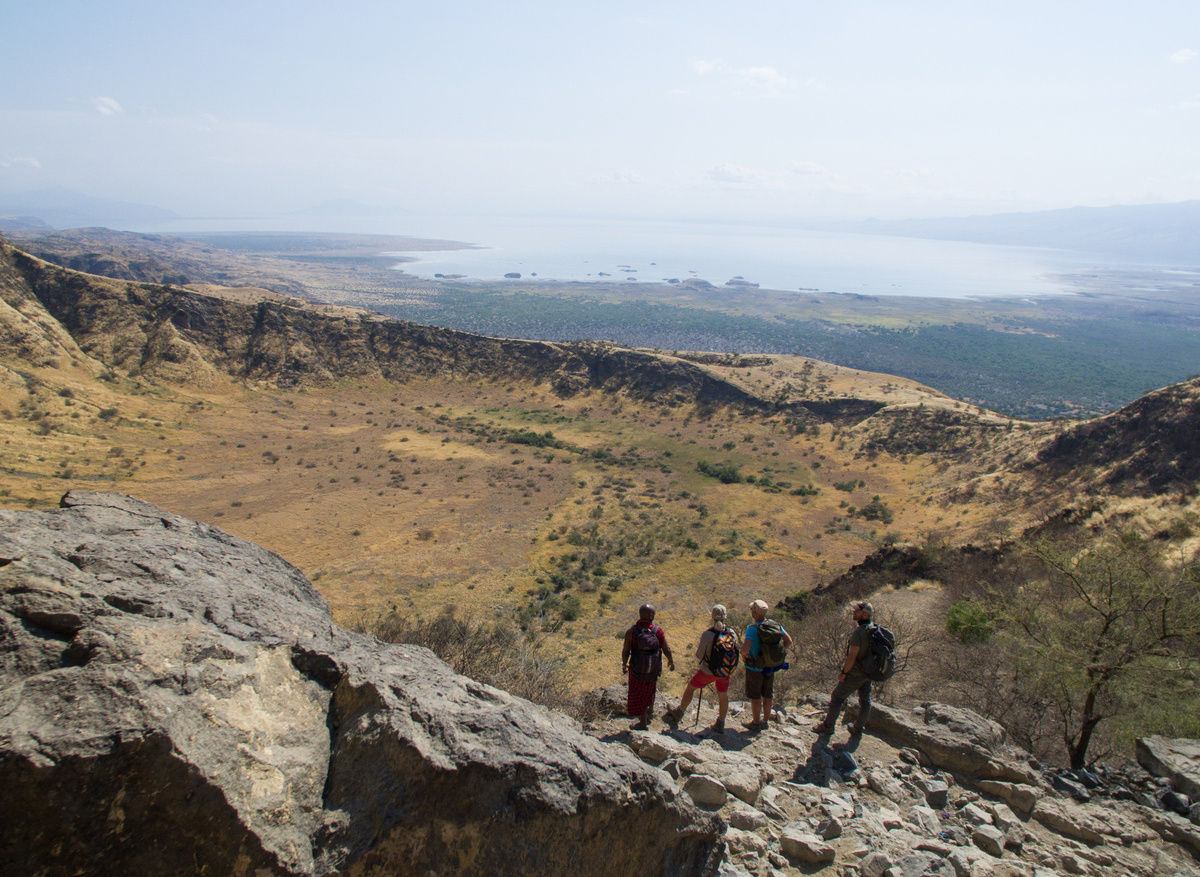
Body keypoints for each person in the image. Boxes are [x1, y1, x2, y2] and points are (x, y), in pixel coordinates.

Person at [663, 604, 739, 734]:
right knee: (723, 695)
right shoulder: (732, 632)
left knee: (690, 688)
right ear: (725, 617)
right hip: (725, 671)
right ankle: (721, 722)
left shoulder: (707, 634)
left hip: (708, 671)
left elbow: (699, 655)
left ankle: (679, 712)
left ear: (712, 617)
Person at [812, 600, 875, 737]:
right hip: (869, 673)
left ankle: (828, 726)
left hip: (856, 673)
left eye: (857, 611)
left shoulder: (859, 633)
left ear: (865, 615)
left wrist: (844, 672)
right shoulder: (874, 628)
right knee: (865, 700)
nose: (854, 612)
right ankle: (858, 729)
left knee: (837, 697)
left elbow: (852, 657)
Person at [742, 598, 793, 730]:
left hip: (755, 667)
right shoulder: (775, 625)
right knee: (767, 694)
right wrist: (777, 654)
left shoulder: (752, 629)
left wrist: (745, 658)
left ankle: (756, 722)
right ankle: (765, 721)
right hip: (770, 666)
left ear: (754, 613)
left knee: (756, 696)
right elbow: (788, 641)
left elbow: (745, 649)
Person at [621, 603, 675, 730]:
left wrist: (624, 664)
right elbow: (666, 648)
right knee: (650, 690)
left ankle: (643, 723)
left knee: (638, 694)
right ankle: (650, 711)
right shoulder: (657, 631)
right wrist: (671, 661)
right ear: (651, 616)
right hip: (653, 670)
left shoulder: (632, 632)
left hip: (636, 670)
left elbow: (626, 650)